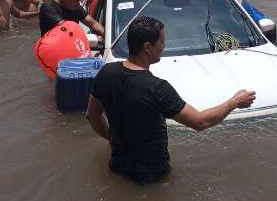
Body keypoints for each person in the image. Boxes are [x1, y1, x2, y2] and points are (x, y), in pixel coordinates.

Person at [86, 16, 256, 184]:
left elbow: (92, 116)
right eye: (162, 42)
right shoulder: (156, 88)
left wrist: (111, 139)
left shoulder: (106, 72)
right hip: (151, 175)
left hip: (117, 166)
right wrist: (233, 103)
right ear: (147, 47)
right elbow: (200, 122)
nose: (164, 47)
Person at [39, 0, 104, 37]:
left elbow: (93, 24)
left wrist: (107, 36)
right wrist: (94, 39)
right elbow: (66, 29)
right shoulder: (48, 7)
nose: (79, 4)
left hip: (71, 42)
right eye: (76, 0)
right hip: (52, 46)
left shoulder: (76, 7)